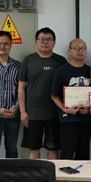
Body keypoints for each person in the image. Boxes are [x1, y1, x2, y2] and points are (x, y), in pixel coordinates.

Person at [50, 38, 91, 182]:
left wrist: (89, 108)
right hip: (67, 119)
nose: (80, 51)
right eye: (76, 48)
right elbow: (54, 95)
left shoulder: (90, 70)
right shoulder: (62, 71)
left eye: (83, 48)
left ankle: (78, 181)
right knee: (68, 152)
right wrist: (64, 109)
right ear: (69, 50)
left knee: (83, 151)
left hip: (86, 119)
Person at [18, 27, 66, 161]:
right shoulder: (28, 60)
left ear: (54, 42)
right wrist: (22, 111)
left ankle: (52, 174)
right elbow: (21, 87)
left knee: (53, 148)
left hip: (55, 113)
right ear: (36, 42)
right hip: (33, 113)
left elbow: (66, 88)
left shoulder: (61, 61)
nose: (45, 42)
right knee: (34, 147)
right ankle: (35, 174)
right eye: (42, 39)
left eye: (49, 39)